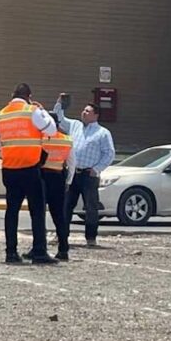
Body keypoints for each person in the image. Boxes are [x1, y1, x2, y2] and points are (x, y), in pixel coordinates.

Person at [0, 83, 57, 264]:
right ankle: (39, 251)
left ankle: (11, 252)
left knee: (12, 211)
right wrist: (42, 110)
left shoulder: (0, 115)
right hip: (30, 168)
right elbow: (51, 130)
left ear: (12, 95)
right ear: (29, 96)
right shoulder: (32, 111)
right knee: (37, 210)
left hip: (9, 169)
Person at [54, 96, 115, 247]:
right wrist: (59, 104)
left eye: (88, 111)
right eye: (84, 110)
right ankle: (61, 236)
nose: (84, 112)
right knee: (66, 206)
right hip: (73, 173)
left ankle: (91, 238)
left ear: (96, 115)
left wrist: (97, 169)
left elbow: (109, 153)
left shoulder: (103, 133)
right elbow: (59, 119)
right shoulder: (75, 125)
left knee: (91, 208)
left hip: (89, 175)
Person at [28, 113, 74, 260]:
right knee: (59, 215)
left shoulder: (40, 138)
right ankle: (63, 249)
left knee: (38, 214)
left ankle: (38, 247)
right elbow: (72, 163)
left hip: (41, 177)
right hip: (58, 177)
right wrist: (68, 182)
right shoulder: (67, 140)